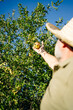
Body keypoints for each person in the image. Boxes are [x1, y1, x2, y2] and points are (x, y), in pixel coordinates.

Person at [33, 18, 73, 110]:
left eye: (58, 38)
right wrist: (42, 52)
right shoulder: (66, 70)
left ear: (63, 43)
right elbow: (55, 65)